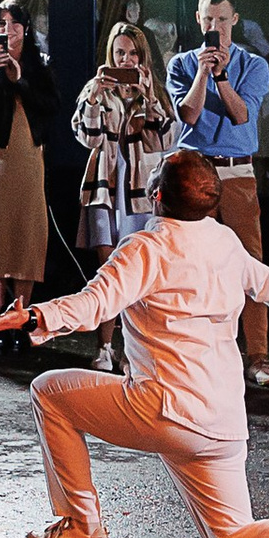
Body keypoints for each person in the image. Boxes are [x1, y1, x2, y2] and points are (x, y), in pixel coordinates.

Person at [0, 152, 269, 538]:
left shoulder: (147, 248)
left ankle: (80, 530)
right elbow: (267, 285)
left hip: (165, 410)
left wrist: (31, 317)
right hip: (221, 421)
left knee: (49, 391)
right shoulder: (223, 240)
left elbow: (93, 306)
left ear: (156, 194)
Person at [164, 0, 269, 382]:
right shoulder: (180, 64)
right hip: (193, 170)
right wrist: (202, 72)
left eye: (223, 20)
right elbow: (189, 114)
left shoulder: (254, 65)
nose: (216, 29)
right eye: (209, 21)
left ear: (235, 20)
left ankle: (258, 356)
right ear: (198, 21)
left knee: (249, 263)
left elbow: (241, 113)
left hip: (236, 173)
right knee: (190, 265)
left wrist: (223, 76)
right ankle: (190, 354)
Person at [69, 20, 176, 370]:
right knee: (107, 271)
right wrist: (96, 96)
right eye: (120, 53)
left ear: (143, 56)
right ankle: (104, 348)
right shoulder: (96, 89)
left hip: (139, 192)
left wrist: (147, 96)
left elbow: (165, 140)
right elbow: (87, 137)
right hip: (105, 186)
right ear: (110, 55)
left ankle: (136, 350)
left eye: (132, 53)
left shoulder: (154, 90)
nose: (126, 60)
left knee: (136, 273)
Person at [0, 0, 58, 316]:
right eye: (1, 24)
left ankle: (20, 314)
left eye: (14, 24)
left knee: (27, 232)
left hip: (29, 154)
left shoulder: (40, 60)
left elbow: (52, 105)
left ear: (26, 28)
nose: (8, 30)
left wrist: (20, 80)